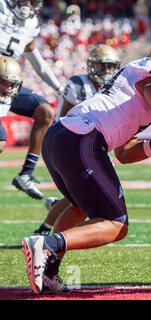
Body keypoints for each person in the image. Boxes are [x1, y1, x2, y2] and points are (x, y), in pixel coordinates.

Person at [20, 49, 151, 294]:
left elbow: (124, 153)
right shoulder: (148, 73)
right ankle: (47, 244)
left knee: (79, 205)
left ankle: (49, 268)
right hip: (83, 137)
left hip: (61, 137)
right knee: (117, 224)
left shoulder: (131, 91)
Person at [32, 44, 121, 236]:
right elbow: (63, 120)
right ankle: (46, 233)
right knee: (83, 197)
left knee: (80, 198)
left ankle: (48, 230)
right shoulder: (78, 85)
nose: (106, 71)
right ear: (91, 66)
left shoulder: (117, 86)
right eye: (102, 66)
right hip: (73, 142)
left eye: (111, 66)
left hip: (97, 144)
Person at [0, 0, 64, 200]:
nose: (27, 4)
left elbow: (36, 59)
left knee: (45, 111)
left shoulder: (30, 24)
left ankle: (26, 174)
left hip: (7, 82)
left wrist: (60, 88)